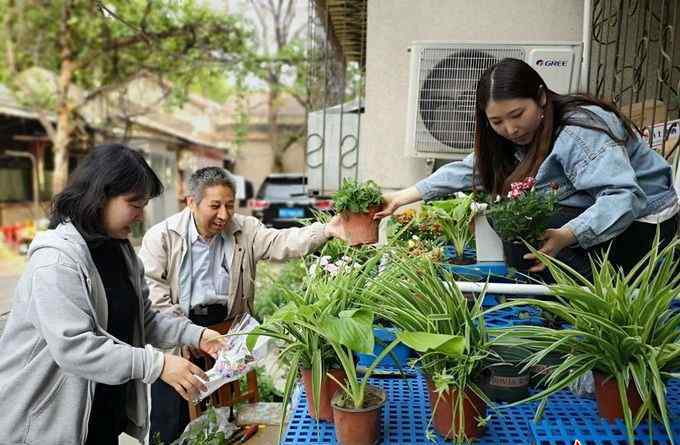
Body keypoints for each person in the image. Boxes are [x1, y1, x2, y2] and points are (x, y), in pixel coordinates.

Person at [0, 144, 227, 445]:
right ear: (99, 196)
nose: (140, 215)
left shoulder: (120, 251)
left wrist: (198, 336)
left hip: (99, 418)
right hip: (45, 426)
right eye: (134, 204)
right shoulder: (56, 261)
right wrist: (157, 365)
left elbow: (143, 319)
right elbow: (76, 346)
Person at [376, 58, 679, 277]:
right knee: (509, 220)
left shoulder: (578, 131)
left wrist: (568, 234)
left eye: (517, 114)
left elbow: (624, 197)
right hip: (610, 219)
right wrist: (402, 197)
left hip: (648, 227)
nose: (510, 128)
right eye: (497, 122)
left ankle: (604, 296)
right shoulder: (524, 135)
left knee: (527, 224)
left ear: (542, 98)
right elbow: (472, 169)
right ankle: (558, 300)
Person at [139, 166, 346, 443]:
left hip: (226, 333)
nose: (224, 215)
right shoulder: (161, 237)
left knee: (225, 416)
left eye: (230, 205)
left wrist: (327, 229)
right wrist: (188, 335)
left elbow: (281, 241)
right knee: (171, 418)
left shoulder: (245, 229)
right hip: (178, 332)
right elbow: (155, 301)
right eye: (215, 206)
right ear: (191, 202)